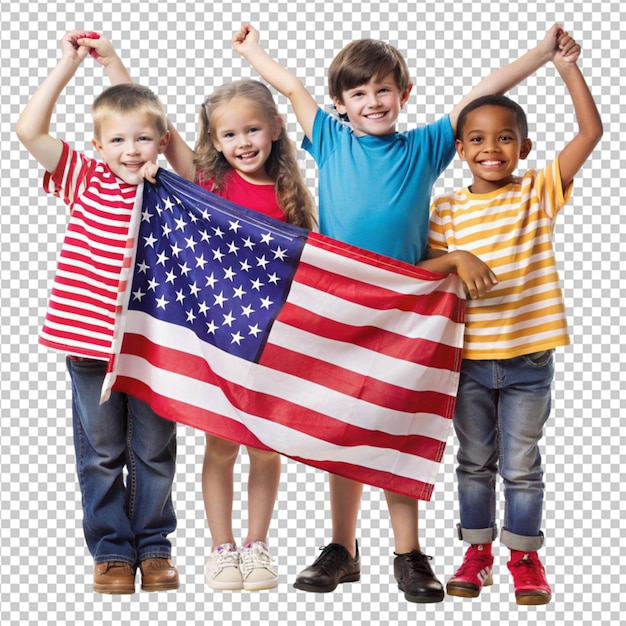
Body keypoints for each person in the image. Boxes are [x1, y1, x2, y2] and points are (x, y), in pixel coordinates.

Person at [232, 21, 581, 603]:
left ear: (405, 93)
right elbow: (290, 85)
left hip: (407, 311)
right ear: (341, 105)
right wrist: (253, 51)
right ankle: (342, 548)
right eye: (359, 94)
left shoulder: (423, 147)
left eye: (384, 90)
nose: (373, 102)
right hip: (341, 304)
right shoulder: (331, 137)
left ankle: (409, 551)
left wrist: (543, 55)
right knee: (340, 424)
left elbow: (481, 92)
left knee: (397, 425)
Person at [88, 35, 317, 591]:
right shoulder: (207, 184)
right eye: (230, 133)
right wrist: (113, 63)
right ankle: (221, 548)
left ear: (277, 129)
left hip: (270, 342)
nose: (243, 142)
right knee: (221, 443)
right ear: (213, 139)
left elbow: (313, 263)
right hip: (220, 340)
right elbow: (149, 125)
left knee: (265, 447)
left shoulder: (291, 196)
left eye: (253, 130)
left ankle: (258, 545)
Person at [419, 36, 602, 605]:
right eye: (477, 139)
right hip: (467, 360)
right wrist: (456, 258)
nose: (491, 148)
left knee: (521, 465)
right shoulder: (446, 208)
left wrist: (566, 68)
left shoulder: (536, 194)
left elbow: (590, 135)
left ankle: (524, 556)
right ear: (460, 149)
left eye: (504, 138)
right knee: (474, 461)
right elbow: (426, 268)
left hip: (527, 357)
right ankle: (477, 552)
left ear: (524, 148)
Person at [15, 31, 179, 595]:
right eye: (117, 141)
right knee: (102, 452)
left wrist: (115, 64)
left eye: (143, 140)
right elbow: (28, 131)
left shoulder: (169, 188)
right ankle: (111, 550)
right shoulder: (86, 179)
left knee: (154, 449)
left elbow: (148, 118)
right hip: (88, 338)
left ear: (160, 142)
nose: (131, 150)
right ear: (97, 145)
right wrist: (68, 65)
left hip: (154, 344)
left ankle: (154, 547)